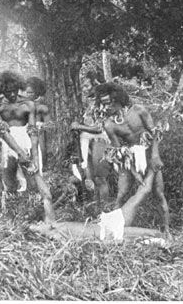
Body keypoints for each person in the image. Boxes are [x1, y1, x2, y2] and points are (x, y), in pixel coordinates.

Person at [93, 82, 169, 235]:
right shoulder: (109, 125)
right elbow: (120, 151)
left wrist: (155, 155)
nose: (105, 108)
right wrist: (134, 173)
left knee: (159, 194)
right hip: (130, 159)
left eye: (107, 103)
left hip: (149, 154)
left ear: (117, 99)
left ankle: (167, 230)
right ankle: (111, 229)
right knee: (121, 194)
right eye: (102, 104)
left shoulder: (138, 110)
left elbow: (154, 133)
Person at [30, 168, 167, 244]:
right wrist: (115, 242)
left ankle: (154, 164)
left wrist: (35, 172)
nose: (40, 222)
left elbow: (46, 197)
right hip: (110, 233)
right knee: (153, 234)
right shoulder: (57, 236)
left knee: (139, 195)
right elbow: (88, 243)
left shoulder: (52, 223)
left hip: (107, 222)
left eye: (38, 221)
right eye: (38, 225)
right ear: (41, 235)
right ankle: (178, 244)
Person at [0, 70, 55, 223]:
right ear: (1, 90)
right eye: (7, 92)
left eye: (14, 91)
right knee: (9, 180)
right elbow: (3, 132)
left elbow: (32, 131)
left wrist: (34, 156)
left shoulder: (28, 104)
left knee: (33, 181)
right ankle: (10, 219)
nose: (12, 95)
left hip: (26, 141)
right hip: (9, 142)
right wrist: (18, 153)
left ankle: (35, 216)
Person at [70, 91, 112, 210]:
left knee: (100, 178)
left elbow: (99, 127)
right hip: (87, 142)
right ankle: (96, 209)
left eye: (87, 86)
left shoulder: (103, 106)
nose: (84, 89)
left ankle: (104, 210)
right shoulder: (89, 106)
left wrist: (79, 126)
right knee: (90, 178)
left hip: (100, 140)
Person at [25, 77, 54, 173]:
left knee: (40, 148)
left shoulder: (41, 106)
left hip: (38, 132)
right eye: (27, 92)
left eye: (31, 93)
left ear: (37, 92)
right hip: (25, 131)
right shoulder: (24, 104)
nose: (28, 95)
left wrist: (39, 124)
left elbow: (49, 124)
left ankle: (42, 166)